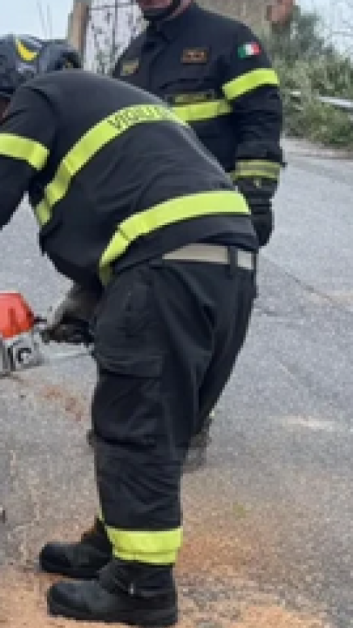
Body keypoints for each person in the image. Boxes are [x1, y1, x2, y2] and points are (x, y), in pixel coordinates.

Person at [0, 34, 259, 627]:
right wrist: (85, 303)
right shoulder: (128, 106)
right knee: (163, 420)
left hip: (165, 267)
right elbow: (138, 204)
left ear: (13, 81)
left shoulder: (44, 95)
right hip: (228, 264)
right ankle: (118, 544)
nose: (2, 125)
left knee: (135, 426)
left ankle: (142, 586)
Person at [109, 0, 285, 465]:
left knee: (204, 324)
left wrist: (256, 195)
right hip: (145, 217)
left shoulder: (230, 42)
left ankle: (191, 422)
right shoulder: (130, 59)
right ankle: (135, 418)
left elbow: (262, 118)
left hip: (214, 212)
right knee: (135, 318)